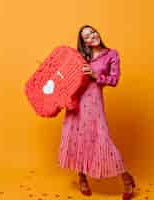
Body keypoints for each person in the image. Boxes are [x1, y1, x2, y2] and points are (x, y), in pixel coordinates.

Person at [58, 24, 136, 200]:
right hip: (76, 103)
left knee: (103, 139)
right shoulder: (79, 57)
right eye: (87, 36)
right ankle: (82, 177)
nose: (92, 36)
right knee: (78, 139)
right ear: (84, 42)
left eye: (92, 32)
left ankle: (126, 179)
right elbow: (67, 77)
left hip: (94, 103)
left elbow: (114, 80)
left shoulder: (111, 55)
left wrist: (95, 75)